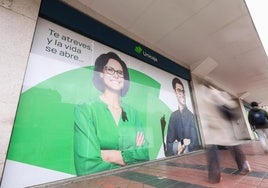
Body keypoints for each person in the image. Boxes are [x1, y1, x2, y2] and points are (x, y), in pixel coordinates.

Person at [73, 52, 149, 176]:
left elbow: (145, 156)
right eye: (110, 70)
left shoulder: (132, 113)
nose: (116, 75)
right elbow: (86, 167)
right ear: (101, 74)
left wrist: (106, 155)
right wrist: (132, 156)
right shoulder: (85, 109)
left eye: (120, 72)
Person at [200, 85, 251, 183]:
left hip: (213, 128)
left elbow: (203, 113)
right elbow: (232, 105)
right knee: (234, 147)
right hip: (224, 128)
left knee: (212, 151)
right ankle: (244, 165)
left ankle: (214, 176)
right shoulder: (221, 94)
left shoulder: (205, 95)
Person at [166, 77, 199, 156]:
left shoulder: (191, 116)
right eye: (178, 90)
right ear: (174, 92)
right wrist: (182, 144)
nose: (182, 94)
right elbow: (169, 144)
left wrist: (183, 147)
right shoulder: (173, 116)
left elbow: (194, 143)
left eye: (183, 91)